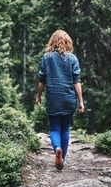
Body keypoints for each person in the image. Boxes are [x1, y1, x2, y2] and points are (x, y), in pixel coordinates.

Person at [36, 29, 84, 170]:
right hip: (68, 99)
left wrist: (39, 96)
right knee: (65, 129)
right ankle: (62, 158)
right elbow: (77, 82)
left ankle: (57, 148)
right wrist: (81, 101)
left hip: (53, 99)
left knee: (55, 128)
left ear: (53, 42)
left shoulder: (47, 57)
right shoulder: (73, 58)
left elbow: (41, 80)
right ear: (68, 42)